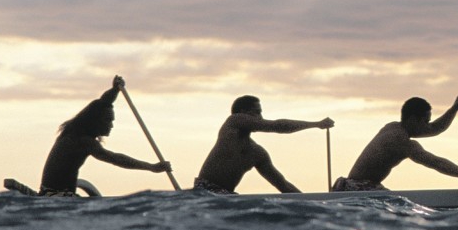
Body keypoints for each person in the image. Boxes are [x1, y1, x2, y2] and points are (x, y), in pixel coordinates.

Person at [38, 76, 172, 196]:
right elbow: (116, 159)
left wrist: (115, 90)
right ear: (95, 121)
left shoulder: (73, 133)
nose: (111, 125)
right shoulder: (82, 141)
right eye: (108, 120)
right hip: (54, 196)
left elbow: (104, 102)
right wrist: (151, 167)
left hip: (50, 194)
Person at [332, 95, 458, 191]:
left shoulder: (392, 127)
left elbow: (436, 128)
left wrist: (454, 109)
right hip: (357, 188)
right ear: (414, 120)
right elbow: (436, 163)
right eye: (425, 121)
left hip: (355, 186)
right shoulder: (401, 141)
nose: (428, 125)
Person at [193, 96, 334, 194]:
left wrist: (314, 204)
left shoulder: (257, 153)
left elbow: (283, 186)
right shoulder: (234, 121)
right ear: (244, 113)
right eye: (258, 112)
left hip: (225, 196)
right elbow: (276, 126)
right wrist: (316, 124)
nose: (261, 117)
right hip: (203, 194)